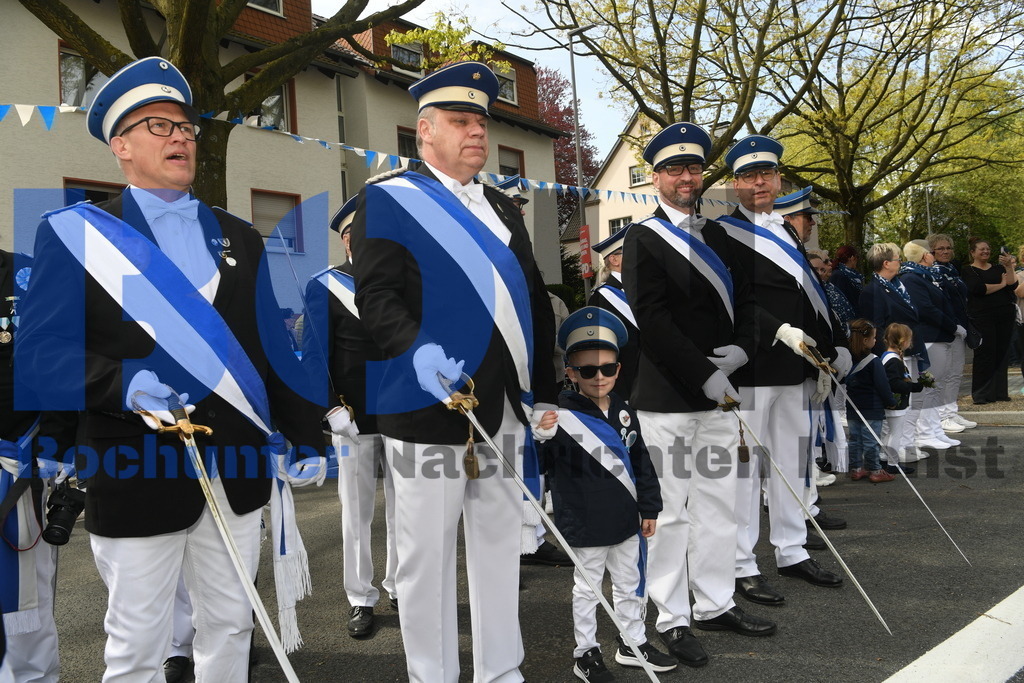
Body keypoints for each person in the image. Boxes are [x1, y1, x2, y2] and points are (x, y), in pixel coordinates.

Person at [14, 57, 326, 681]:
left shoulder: (242, 236)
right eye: (159, 125)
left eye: (186, 126)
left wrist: (307, 433)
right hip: (133, 470)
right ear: (120, 146)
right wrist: (122, 384)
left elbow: (271, 349)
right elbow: (41, 354)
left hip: (233, 469)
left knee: (231, 628)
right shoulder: (76, 235)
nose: (181, 135)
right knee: (137, 644)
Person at [348, 61, 556, 682]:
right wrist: (416, 352)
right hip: (424, 405)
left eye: (481, 123)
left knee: (499, 551)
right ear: (424, 131)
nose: (476, 133)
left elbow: (531, 300)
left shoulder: (500, 205)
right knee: (425, 561)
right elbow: (377, 297)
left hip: (504, 406)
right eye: (460, 121)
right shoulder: (386, 199)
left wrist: (543, 391)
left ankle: (502, 671)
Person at [622, 123, 775, 669]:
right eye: (674, 169)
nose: (687, 177)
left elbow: (753, 302)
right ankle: (671, 617)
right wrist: (701, 374)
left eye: (694, 168)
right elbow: (654, 321)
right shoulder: (642, 239)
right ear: (657, 178)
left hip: (720, 393)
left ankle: (714, 602)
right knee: (669, 514)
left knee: (717, 505)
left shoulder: (721, 237)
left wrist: (740, 351)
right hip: (668, 396)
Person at [719, 135, 847, 603]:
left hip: (797, 369)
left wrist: (835, 347)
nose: (760, 183)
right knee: (744, 475)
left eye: (767, 174)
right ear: (735, 184)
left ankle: (792, 549)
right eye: (750, 176)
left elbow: (810, 295)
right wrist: (782, 331)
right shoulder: (720, 233)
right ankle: (740, 562)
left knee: (793, 464)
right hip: (752, 369)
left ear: (778, 179)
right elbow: (736, 301)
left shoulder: (786, 231)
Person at [540, 307, 677, 681]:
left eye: (607, 368)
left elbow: (641, 459)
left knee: (631, 584)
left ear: (618, 369)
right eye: (587, 370)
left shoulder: (623, 409)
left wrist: (650, 506)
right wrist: (541, 436)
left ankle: (633, 641)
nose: (598, 377)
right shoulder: (559, 413)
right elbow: (539, 465)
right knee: (588, 591)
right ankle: (586, 652)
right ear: (570, 372)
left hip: (626, 517)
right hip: (584, 521)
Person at [301, 197, 398, 639]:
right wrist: (329, 408)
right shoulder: (325, 286)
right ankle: (360, 597)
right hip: (353, 418)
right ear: (345, 241)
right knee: (356, 513)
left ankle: (400, 584)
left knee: (406, 510)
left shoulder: (403, 284)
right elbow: (315, 356)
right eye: (355, 234)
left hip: (404, 416)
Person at [0, 250, 62, 683]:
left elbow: (60, 361)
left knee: (27, 604)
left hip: (15, 462)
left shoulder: (27, 274)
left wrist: (51, 444)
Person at [859, 242, 932, 463]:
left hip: (908, 350)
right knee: (894, 403)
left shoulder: (897, 284)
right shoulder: (872, 290)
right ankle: (890, 449)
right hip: (892, 356)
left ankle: (906, 443)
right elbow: (875, 327)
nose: (901, 262)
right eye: (898, 258)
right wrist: (891, 355)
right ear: (886, 263)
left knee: (909, 401)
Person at [899, 240, 961, 451]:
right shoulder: (912, 278)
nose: (935, 254)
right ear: (925, 255)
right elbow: (926, 309)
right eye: (931, 252)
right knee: (929, 387)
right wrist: (952, 326)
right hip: (929, 336)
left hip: (937, 336)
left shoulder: (924, 276)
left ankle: (933, 430)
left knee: (935, 387)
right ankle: (926, 432)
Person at [927, 234, 976, 429]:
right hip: (946, 329)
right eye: (941, 248)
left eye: (948, 248)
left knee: (956, 373)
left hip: (961, 328)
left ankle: (951, 411)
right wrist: (953, 325)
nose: (946, 251)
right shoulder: (934, 272)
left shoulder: (952, 269)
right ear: (931, 251)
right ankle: (941, 416)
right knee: (943, 374)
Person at [961, 238, 1018, 404]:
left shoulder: (999, 268)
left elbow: (1012, 285)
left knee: (1002, 354)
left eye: (987, 249)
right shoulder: (968, 271)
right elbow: (979, 289)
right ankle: (981, 394)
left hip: (1004, 315)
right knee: (985, 355)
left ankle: (1000, 392)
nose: (985, 252)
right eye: (981, 249)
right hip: (982, 317)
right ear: (972, 252)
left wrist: (1008, 267)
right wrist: (1001, 284)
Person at [588, 229, 640, 400]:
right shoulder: (602, 297)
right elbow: (601, 347)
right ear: (614, 259)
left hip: (651, 379)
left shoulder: (640, 288)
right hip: (625, 382)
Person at [842, 319, 896, 483]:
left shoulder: (847, 359)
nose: (875, 341)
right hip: (872, 408)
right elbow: (882, 385)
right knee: (871, 440)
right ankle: (874, 469)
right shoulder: (874, 360)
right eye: (874, 338)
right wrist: (890, 401)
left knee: (855, 439)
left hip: (852, 406)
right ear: (866, 340)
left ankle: (857, 468)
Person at [880, 323, 928, 474]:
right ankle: (892, 463)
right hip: (896, 403)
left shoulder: (888, 356)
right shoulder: (893, 360)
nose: (911, 342)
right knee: (896, 433)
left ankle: (884, 458)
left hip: (892, 402)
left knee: (890, 432)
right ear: (902, 341)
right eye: (909, 339)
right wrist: (914, 387)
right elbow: (894, 383)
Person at [830, 245, 864, 316]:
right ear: (851, 258)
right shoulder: (838, 275)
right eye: (856, 258)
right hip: (848, 318)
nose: (857, 261)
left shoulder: (852, 275)